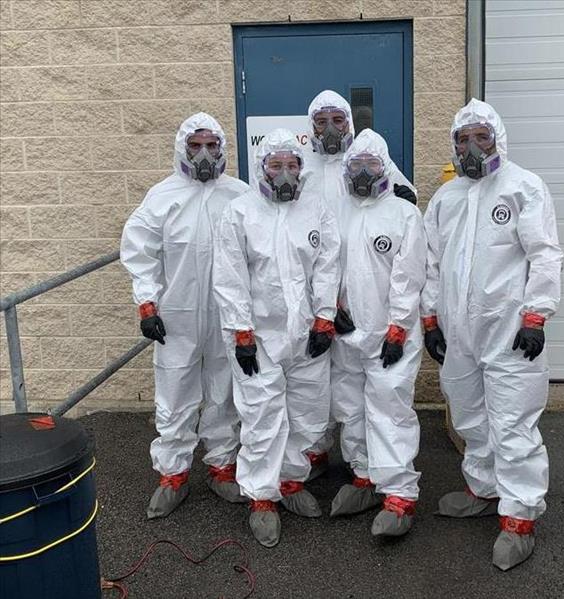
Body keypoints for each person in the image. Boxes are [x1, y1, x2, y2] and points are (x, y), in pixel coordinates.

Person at [421, 99, 564, 570]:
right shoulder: (448, 197)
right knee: (469, 418)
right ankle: (483, 489)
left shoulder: (523, 188)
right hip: (460, 336)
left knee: (513, 425)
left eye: (481, 136)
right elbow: (431, 263)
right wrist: (430, 319)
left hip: (509, 334)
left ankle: (520, 516)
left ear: (497, 137)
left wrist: (535, 315)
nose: (471, 146)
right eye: (463, 139)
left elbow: (544, 254)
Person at [212, 128, 341, 548]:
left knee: (307, 413)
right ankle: (262, 497)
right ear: (261, 167)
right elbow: (230, 276)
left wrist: (324, 318)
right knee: (262, 417)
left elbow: (327, 264)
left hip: (305, 335)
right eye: (276, 165)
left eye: (292, 165)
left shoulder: (316, 210)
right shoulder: (241, 212)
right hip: (258, 338)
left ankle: (290, 481)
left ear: (301, 168)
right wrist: (241, 332)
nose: (285, 173)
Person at [121, 112, 249, 519]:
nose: (205, 154)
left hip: (226, 313)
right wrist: (147, 304)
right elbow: (139, 254)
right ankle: (173, 473)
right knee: (175, 391)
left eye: (212, 145)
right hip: (175, 315)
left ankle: (221, 465)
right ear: (182, 148)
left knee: (223, 389)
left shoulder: (240, 195)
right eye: (196, 146)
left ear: (223, 148)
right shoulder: (162, 197)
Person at [303, 89, 418, 478]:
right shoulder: (300, 167)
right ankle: (313, 452)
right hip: (315, 295)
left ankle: (370, 469)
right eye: (323, 122)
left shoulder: (362, 159)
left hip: (363, 298)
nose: (332, 129)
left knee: (356, 385)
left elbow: (403, 210)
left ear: (350, 123)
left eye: (339, 120)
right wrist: (326, 305)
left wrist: (405, 196)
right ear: (312, 126)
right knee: (319, 382)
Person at [327, 128, 426, 537]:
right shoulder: (337, 211)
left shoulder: (404, 214)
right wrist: (332, 307)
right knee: (351, 409)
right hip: (347, 333)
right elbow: (325, 265)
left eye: (371, 165)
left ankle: (399, 495)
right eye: (356, 166)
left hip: (390, 335)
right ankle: (364, 475)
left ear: (386, 168)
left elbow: (409, 276)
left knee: (390, 412)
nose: (363, 173)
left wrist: (399, 327)